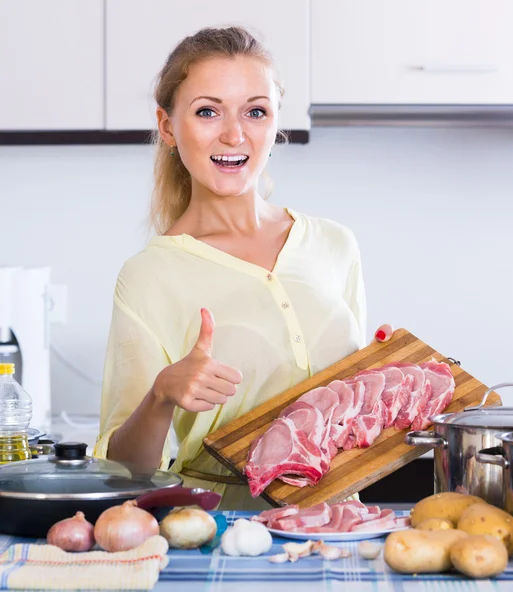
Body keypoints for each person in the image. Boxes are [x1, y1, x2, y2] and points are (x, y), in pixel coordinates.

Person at [93, 26, 392, 510]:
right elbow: (125, 471)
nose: (235, 134)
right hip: (223, 537)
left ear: (275, 123)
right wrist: (161, 395)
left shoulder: (335, 244)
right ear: (168, 127)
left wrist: (385, 376)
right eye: (207, 112)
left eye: (255, 111)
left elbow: (355, 419)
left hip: (341, 529)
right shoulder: (149, 276)